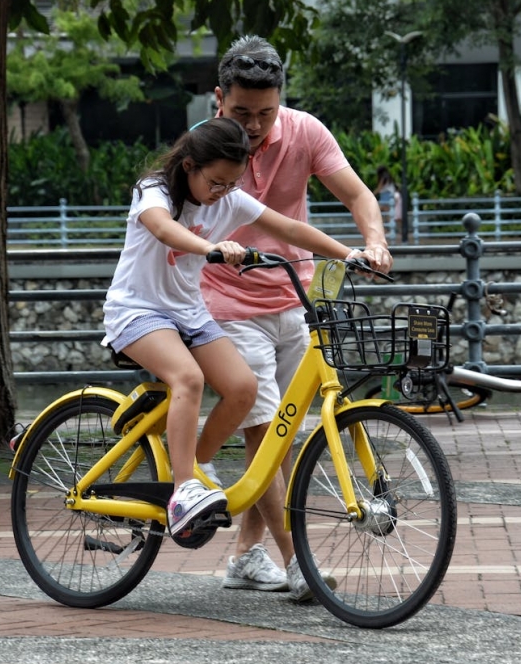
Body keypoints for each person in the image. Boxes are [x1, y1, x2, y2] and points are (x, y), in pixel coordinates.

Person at [101, 117, 365, 547]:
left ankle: (190, 469)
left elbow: (292, 229)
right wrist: (211, 248)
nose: (223, 192)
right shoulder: (155, 190)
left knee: (243, 388)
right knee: (188, 377)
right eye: (216, 182)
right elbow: (163, 228)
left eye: (232, 183)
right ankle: (184, 491)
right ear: (189, 166)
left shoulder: (230, 199)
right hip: (137, 311)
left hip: (188, 312)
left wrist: (350, 253)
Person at [200, 35, 392, 601]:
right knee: (265, 430)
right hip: (226, 303)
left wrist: (374, 241)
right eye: (242, 113)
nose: (255, 126)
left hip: (295, 299)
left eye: (266, 112)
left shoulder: (305, 131)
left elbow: (358, 194)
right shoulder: (205, 144)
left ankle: (242, 557)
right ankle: (298, 561)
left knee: (281, 440)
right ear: (219, 100)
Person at [373, 165, 402, 239]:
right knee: (389, 215)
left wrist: (371, 194)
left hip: (386, 196)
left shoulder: (383, 177)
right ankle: (390, 230)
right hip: (389, 196)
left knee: (375, 211)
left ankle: (387, 230)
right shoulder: (389, 177)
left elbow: (379, 188)